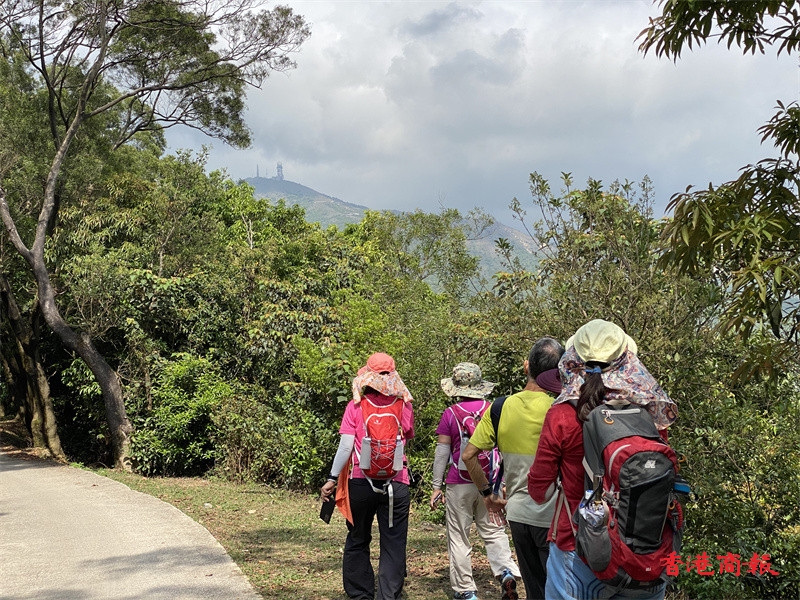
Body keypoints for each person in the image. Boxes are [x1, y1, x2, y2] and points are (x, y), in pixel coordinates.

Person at [527, 319, 678, 600]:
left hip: (578, 551)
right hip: (644, 554)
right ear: (627, 360)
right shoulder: (650, 412)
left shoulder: (562, 415)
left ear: (573, 361)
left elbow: (539, 493)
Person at [462, 337, 565, 600]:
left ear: (526, 366)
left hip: (518, 514)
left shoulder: (500, 407)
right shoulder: (560, 409)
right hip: (554, 518)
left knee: (534, 590)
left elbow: (469, 456)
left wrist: (488, 495)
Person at [319, 352, 415, 600]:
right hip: (396, 483)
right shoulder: (404, 404)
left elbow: (345, 446)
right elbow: (406, 435)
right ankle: (388, 595)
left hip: (360, 483)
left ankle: (360, 594)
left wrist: (332, 479)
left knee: (358, 537)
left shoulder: (356, 405)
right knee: (393, 542)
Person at [430, 362, 522, 600]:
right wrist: (504, 481)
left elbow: (442, 453)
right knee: (494, 530)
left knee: (459, 536)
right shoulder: (493, 409)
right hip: (489, 481)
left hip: (459, 482)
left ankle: (466, 590)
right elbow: (504, 447)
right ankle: (506, 571)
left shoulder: (450, 414)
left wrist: (436, 486)